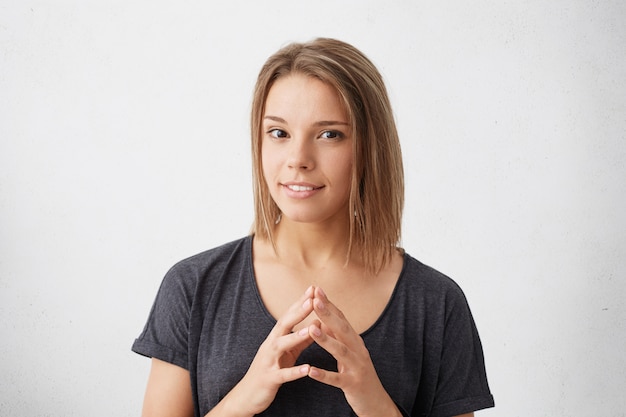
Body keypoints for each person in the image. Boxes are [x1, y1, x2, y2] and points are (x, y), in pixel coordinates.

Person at [132, 38, 495, 417]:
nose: (298, 159)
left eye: (329, 134)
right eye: (279, 133)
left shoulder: (435, 304)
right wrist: (246, 396)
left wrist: (373, 401)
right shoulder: (192, 288)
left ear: (370, 147)